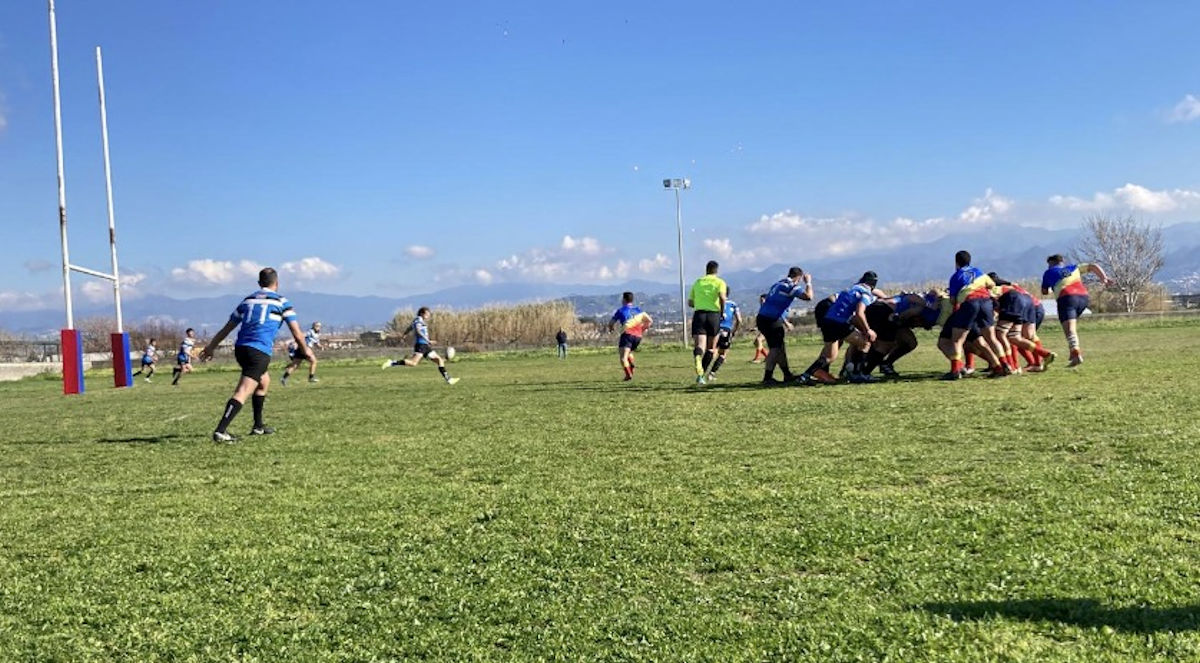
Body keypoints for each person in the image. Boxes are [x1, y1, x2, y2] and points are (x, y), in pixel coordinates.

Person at [199, 267, 311, 443]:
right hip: (258, 351)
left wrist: (211, 347)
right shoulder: (282, 302)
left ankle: (258, 426)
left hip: (241, 348)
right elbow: (297, 333)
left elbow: (227, 328)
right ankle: (221, 431)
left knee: (263, 381)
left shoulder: (247, 301)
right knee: (243, 390)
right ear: (277, 283)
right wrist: (306, 351)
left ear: (259, 284)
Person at [800, 271, 881, 385]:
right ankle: (858, 374)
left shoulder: (851, 289)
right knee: (865, 342)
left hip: (827, 320)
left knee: (829, 356)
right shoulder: (866, 293)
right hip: (839, 322)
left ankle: (805, 376)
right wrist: (868, 330)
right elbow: (859, 313)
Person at [1041, 254, 1114, 367]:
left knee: (1069, 330)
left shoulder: (1048, 272)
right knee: (1071, 328)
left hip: (1066, 297)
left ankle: (1076, 354)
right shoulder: (1074, 267)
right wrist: (1103, 278)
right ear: (1062, 262)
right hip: (1083, 298)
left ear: (1051, 263)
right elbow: (1093, 266)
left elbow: (1044, 291)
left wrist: (1053, 288)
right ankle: (1073, 352)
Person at [944, 250, 1006, 380]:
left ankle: (955, 371)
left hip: (970, 303)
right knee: (991, 338)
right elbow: (992, 284)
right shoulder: (978, 272)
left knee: (957, 340)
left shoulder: (956, 276)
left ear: (956, 262)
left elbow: (953, 300)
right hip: (986, 303)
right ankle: (1003, 366)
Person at [754, 267, 813, 385]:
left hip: (763, 317)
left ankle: (787, 374)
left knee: (780, 347)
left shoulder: (778, 283)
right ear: (799, 277)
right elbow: (808, 297)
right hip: (771, 319)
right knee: (775, 349)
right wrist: (808, 283)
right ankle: (767, 377)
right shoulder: (791, 286)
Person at [382, 307, 459, 384]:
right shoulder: (418, 320)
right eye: (427, 314)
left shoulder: (418, 320)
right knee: (413, 363)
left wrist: (404, 335)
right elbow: (418, 331)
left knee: (439, 360)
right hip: (421, 345)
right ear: (422, 313)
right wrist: (428, 340)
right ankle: (391, 363)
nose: (428, 316)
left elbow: (410, 328)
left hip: (425, 346)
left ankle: (448, 379)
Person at [688, 260, 728, 385]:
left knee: (700, 345)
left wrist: (700, 303)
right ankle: (701, 375)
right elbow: (722, 297)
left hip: (699, 314)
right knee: (711, 348)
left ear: (706, 270)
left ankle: (698, 358)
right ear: (717, 270)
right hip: (713, 315)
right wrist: (722, 312)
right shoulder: (720, 282)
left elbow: (690, 302)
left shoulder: (698, 282)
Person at [607, 291, 653, 381]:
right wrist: (642, 329)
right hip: (638, 336)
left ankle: (628, 375)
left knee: (623, 358)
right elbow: (650, 320)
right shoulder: (638, 310)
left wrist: (611, 328)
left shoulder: (621, 310)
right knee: (629, 352)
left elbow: (611, 323)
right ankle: (631, 364)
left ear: (624, 299)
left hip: (627, 334)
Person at [704, 295, 742, 382]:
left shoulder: (714, 303)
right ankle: (712, 373)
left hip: (714, 329)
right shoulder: (733, 304)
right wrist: (734, 331)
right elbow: (739, 320)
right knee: (722, 354)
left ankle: (702, 373)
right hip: (726, 330)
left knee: (711, 351)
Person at [282, 321, 322, 385]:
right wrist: (290, 341)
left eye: (319, 326)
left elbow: (317, 343)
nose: (318, 327)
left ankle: (284, 378)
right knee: (314, 361)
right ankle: (311, 377)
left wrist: (321, 347)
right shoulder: (310, 332)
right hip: (305, 348)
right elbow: (300, 336)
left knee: (295, 365)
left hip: (301, 350)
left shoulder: (317, 334)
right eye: (317, 326)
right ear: (313, 326)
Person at [749, 294, 769, 363]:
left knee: (759, 340)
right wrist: (755, 327)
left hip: (769, 328)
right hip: (763, 328)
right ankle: (767, 357)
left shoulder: (768, 308)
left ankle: (757, 359)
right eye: (760, 300)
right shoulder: (762, 309)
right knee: (756, 343)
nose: (760, 301)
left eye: (762, 300)